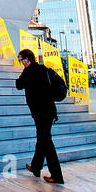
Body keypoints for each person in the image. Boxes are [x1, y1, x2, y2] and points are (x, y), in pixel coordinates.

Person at [16, 47, 64, 184]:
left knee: (46, 142)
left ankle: (57, 175)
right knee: (42, 138)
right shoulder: (43, 69)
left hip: (40, 111)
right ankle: (36, 167)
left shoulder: (29, 71)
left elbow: (18, 85)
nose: (21, 63)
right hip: (49, 110)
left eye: (21, 60)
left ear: (27, 59)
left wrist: (25, 71)